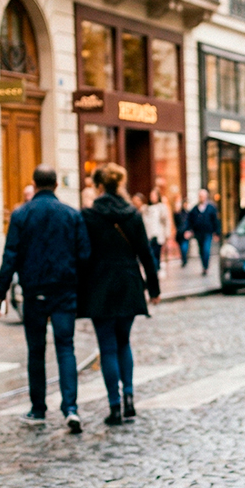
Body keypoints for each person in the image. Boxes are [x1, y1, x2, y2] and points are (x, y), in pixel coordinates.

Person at [0, 165, 90, 433]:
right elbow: (84, 255)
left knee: (36, 351)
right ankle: (70, 407)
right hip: (64, 290)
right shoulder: (71, 214)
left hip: (34, 292)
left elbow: (9, 256)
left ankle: (38, 408)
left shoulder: (22, 214)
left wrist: (0, 294)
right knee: (65, 347)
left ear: (34, 184)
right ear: (56, 185)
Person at [80, 164, 160, 426]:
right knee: (124, 342)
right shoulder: (132, 214)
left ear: (98, 186)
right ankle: (129, 399)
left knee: (107, 347)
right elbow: (145, 253)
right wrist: (154, 288)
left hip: (100, 286)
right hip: (128, 284)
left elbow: (82, 255)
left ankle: (114, 406)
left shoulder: (89, 215)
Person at [186, 189, 220, 275]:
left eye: (203, 196)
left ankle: (206, 267)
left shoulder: (211, 208)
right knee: (201, 250)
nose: (201, 198)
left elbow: (215, 221)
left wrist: (217, 232)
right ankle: (204, 266)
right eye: (200, 196)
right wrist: (189, 230)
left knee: (206, 249)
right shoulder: (194, 209)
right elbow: (190, 220)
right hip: (198, 233)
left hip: (208, 232)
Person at [142, 188, 170, 274]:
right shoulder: (146, 208)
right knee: (151, 254)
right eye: (151, 196)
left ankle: (156, 269)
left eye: (154, 195)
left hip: (158, 234)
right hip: (149, 235)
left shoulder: (162, 208)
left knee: (156, 253)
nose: (152, 197)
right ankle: (154, 270)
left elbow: (166, 221)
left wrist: (167, 234)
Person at [173, 195, 191, 267]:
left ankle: (185, 259)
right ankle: (184, 258)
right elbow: (176, 221)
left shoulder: (189, 213)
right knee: (182, 247)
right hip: (180, 233)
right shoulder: (179, 213)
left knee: (184, 247)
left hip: (186, 232)